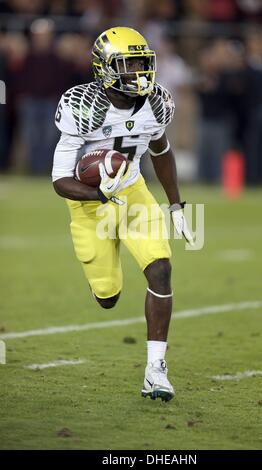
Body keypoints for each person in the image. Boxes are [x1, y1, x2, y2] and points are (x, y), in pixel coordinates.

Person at [52, 27, 194, 402]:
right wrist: (99, 192)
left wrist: (176, 204)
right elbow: (60, 180)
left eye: (142, 63)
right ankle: (105, 268)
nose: (138, 72)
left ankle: (155, 370)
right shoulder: (82, 105)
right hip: (88, 204)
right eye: (128, 64)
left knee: (161, 267)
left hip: (132, 194)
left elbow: (161, 152)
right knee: (107, 297)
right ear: (104, 68)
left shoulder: (156, 102)